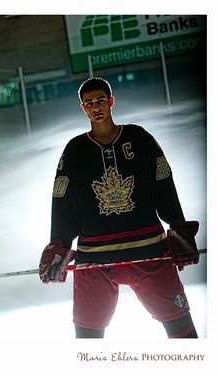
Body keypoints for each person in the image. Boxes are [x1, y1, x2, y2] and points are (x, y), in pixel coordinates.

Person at [39, 77, 199, 339]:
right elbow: (62, 202)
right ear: (83, 108)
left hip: (148, 251)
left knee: (184, 335)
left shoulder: (140, 138)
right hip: (95, 260)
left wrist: (178, 225)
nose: (96, 106)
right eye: (89, 103)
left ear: (111, 102)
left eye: (101, 100)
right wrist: (58, 244)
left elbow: (164, 184)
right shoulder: (75, 150)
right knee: (88, 343)